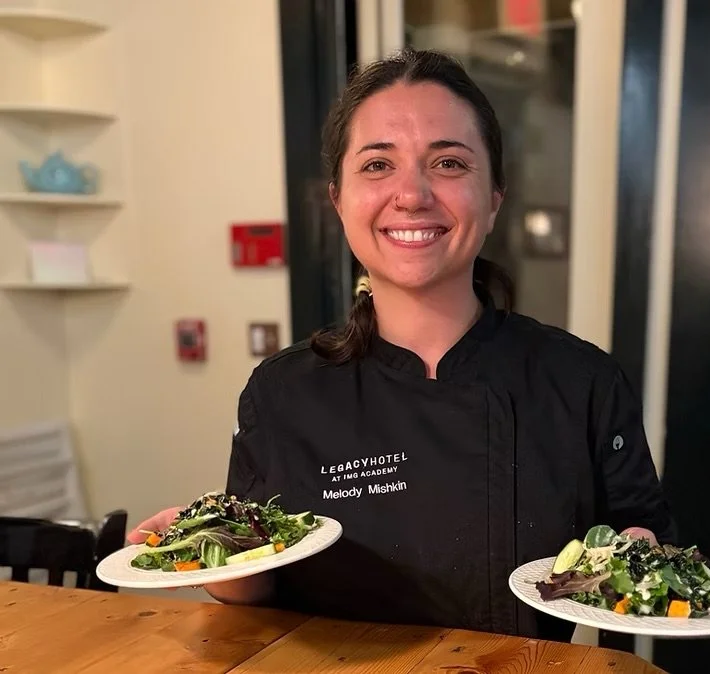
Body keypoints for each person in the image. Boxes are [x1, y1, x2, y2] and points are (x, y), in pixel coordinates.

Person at [129, 47, 675, 641]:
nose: (412, 195)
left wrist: (632, 558)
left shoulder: (581, 381)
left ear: (494, 196)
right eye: (377, 166)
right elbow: (258, 586)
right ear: (337, 197)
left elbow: (641, 542)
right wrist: (214, 544)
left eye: (448, 163)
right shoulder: (282, 393)